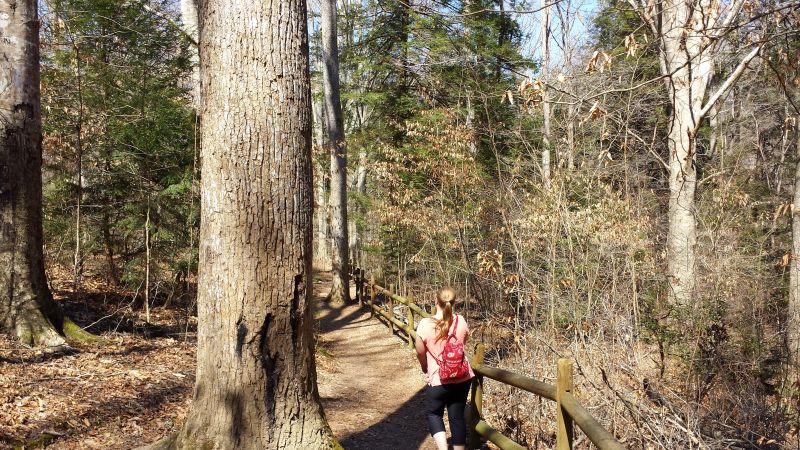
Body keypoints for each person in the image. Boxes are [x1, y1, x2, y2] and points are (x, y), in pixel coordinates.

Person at [414, 287, 475, 450]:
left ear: (436, 301)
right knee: (457, 417)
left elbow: (420, 350)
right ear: (454, 302)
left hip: (438, 378)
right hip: (462, 377)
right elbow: (463, 342)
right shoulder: (460, 321)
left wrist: (425, 367)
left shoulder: (425, 324)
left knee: (434, 414)